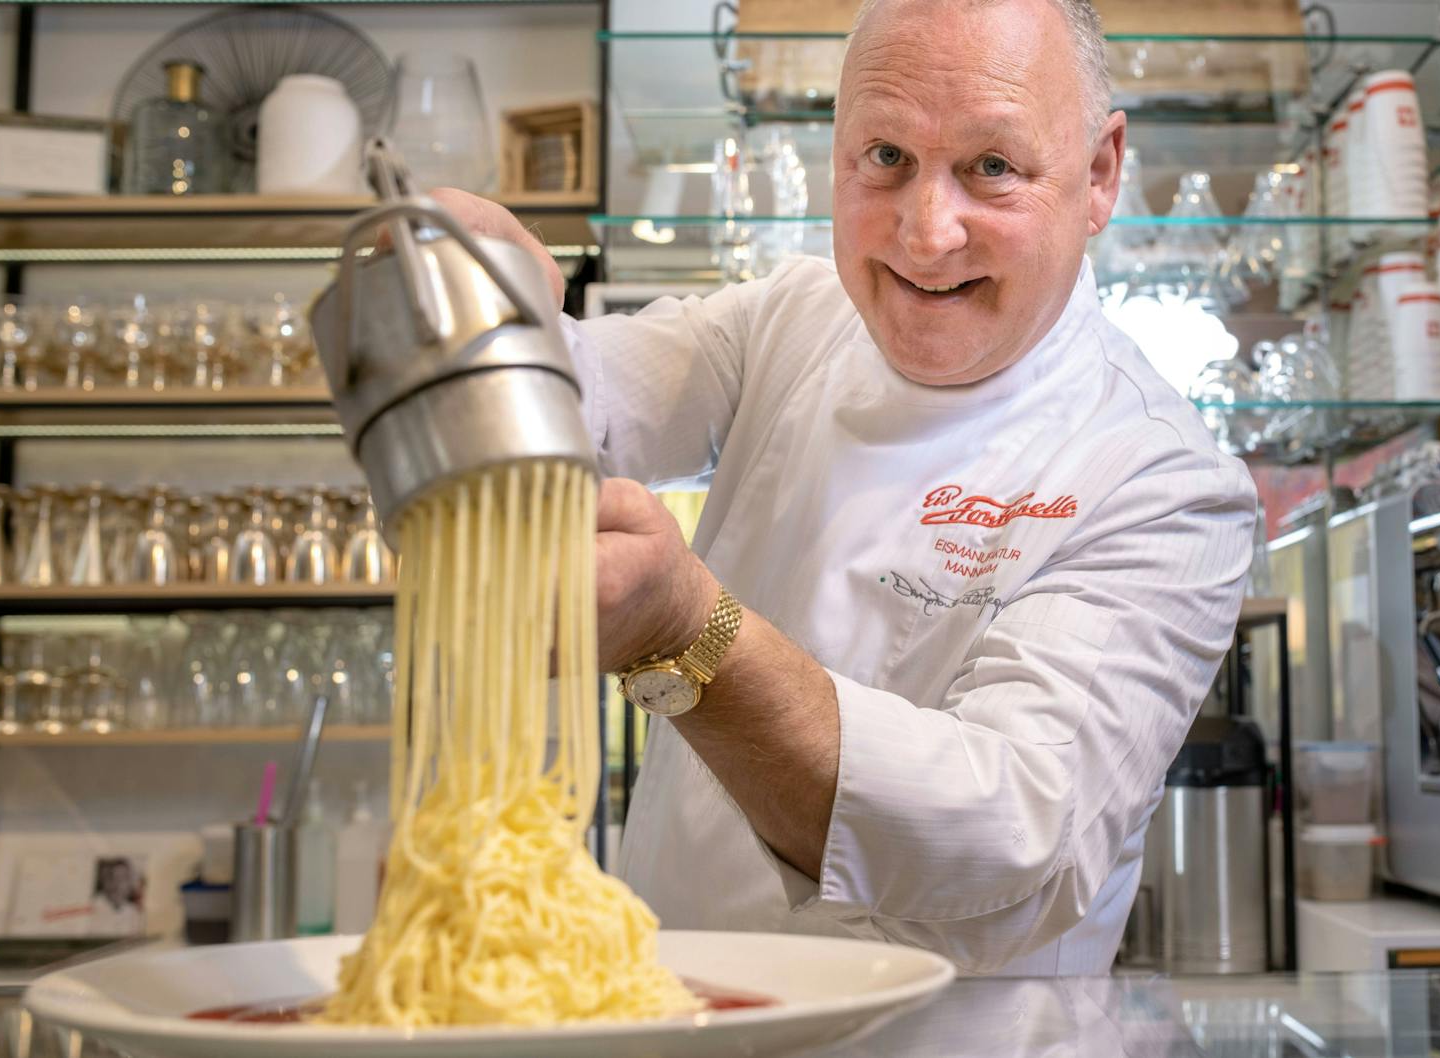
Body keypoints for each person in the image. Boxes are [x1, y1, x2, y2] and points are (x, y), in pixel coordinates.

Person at [430, 0, 1255, 975]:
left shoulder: (1161, 478)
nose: (927, 233)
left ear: (1100, 172)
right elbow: (580, 401)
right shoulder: (791, 319)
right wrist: (479, 321)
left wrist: (687, 634)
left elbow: (1008, 851)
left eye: (992, 166)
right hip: (678, 1012)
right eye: (886, 157)